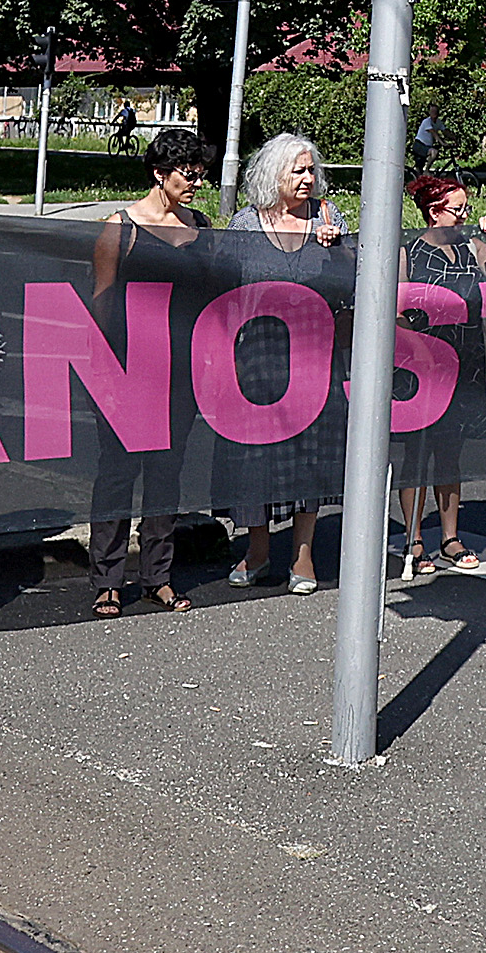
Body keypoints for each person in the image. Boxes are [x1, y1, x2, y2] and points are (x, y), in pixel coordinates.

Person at [82, 127, 213, 616]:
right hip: (127, 369)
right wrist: (106, 377)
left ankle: (158, 575)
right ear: (159, 174)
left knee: (166, 473)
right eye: (188, 173)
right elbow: (101, 303)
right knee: (117, 473)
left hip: (181, 373)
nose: (196, 181)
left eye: (200, 173)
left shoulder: (202, 226)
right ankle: (108, 579)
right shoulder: (121, 227)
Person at [222, 134, 347, 592]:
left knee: (310, 457)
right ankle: (257, 551)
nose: (308, 179)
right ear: (274, 175)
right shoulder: (244, 224)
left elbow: (353, 282)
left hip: (315, 358)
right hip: (257, 358)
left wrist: (336, 248)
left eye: (312, 171)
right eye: (298, 171)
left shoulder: (329, 218)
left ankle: (303, 556)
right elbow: (222, 289)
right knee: (257, 456)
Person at [395, 171, 486, 572]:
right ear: (434, 212)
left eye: (466, 208)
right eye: (457, 210)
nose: (464, 216)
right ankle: (414, 540)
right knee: (416, 453)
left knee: (451, 451)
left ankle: (450, 537)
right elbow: (397, 312)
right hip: (422, 363)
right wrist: (417, 350)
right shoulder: (409, 252)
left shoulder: (472, 248)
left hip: (466, 360)